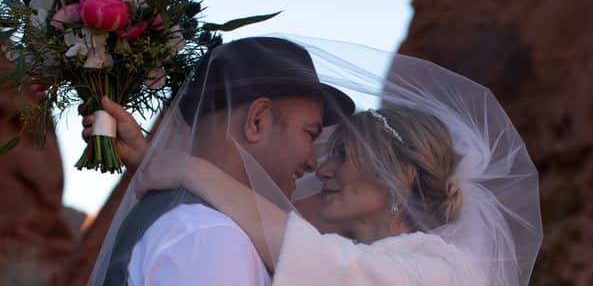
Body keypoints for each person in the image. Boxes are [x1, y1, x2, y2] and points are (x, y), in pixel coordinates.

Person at [88, 35, 543, 286]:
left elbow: (316, 257)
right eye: (316, 139)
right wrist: (163, 163)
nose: (319, 166)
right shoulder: (207, 237)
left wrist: (186, 167)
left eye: (341, 154)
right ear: (257, 120)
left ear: (401, 175)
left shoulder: (444, 274)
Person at [86, 37, 355, 285]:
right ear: (257, 120)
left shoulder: (183, 221)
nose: (312, 162)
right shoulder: (210, 236)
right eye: (310, 133)